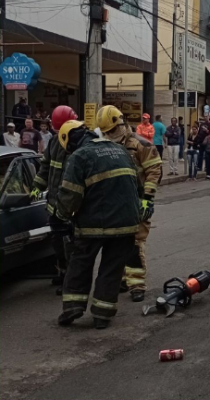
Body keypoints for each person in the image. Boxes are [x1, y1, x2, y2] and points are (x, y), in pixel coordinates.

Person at [55, 120, 140, 329]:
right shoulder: (120, 150)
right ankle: (102, 314)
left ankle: (72, 307)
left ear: (69, 141)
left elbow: (70, 195)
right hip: (127, 223)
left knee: (80, 262)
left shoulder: (80, 156)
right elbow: (136, 185)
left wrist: (61, 215)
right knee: (112, 268)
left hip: (94, 224)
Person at [96, 106, 162, 303]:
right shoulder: (105, 145)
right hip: (115, 203)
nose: (109, 135)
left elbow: (154, 171)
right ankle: (123, 279)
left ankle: (137, 285)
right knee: (117, 244)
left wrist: (147, 199)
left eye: (112, 131)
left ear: (121, 123)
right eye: (105, 132)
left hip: (136, 201)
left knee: (134, 244)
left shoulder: (141, 144)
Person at [31, 106, 78, 293]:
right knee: (57, 242)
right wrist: (36, 187)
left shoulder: (78, 144)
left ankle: (71, 280)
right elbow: (45, 167)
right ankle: (63, 271)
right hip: (54, 202)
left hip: (70, 204)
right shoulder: (53, 143)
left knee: (70, 243)